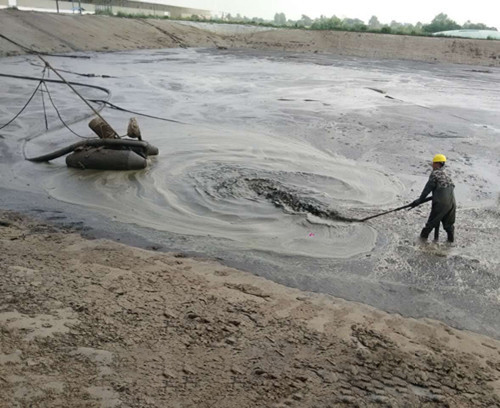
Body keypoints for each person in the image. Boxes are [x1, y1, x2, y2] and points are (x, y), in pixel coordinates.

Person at [410, 154, 456, 242]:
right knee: (449, 226)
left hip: (441, 203)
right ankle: (450, 244)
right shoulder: (447, 176)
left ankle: (421, 243)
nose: (432, 165)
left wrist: (419, 200)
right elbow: (447, 189)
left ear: (436, 164)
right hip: (452, 203)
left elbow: (428, 188)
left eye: (433, 163)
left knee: (430, 225)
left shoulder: (435, 174)